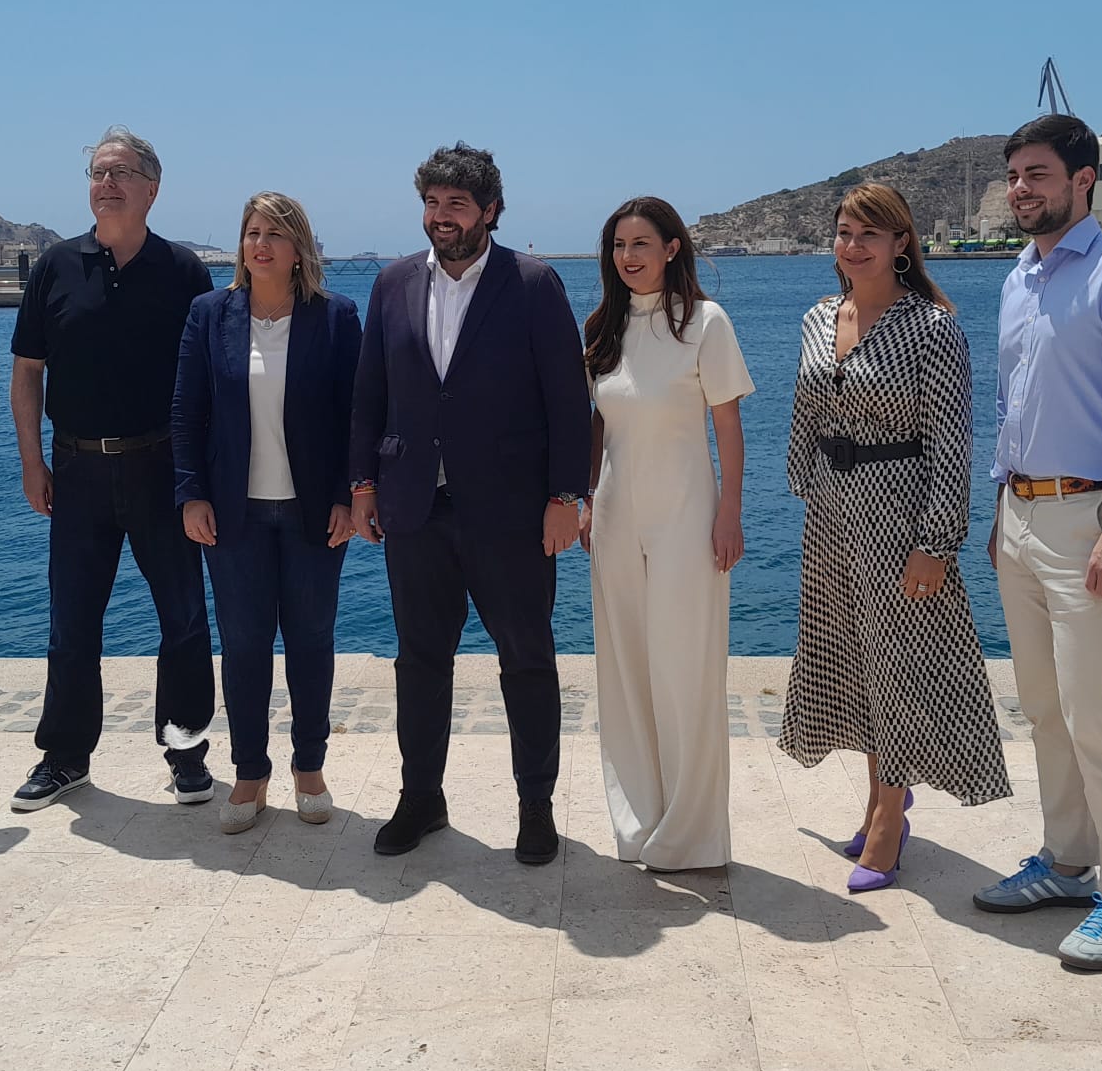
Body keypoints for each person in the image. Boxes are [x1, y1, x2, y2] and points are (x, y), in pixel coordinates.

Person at [973, 113, 1102, 972]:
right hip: (1022, 517)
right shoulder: (1019, 278)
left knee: (1099, 716)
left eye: (1038, 175)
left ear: (1083, 180)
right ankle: (1067, 861)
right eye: (1016, 175)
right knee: (1044, 707)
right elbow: (1012, 408)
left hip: (1098, 520)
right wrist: (999, 514)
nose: (1023, 189)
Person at [349, 142, 590, 865]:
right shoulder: (392, 284)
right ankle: (421, 796)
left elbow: (567, 401)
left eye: (456, 204)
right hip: (414, 508)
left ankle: (535, 808)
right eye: (431, 202)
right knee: (420, 660)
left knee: (526, 658)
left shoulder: (533, 283)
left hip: (512, 512)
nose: (440, 217)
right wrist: (362, 485)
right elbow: (370, 394)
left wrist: (564, 497)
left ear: (489, 210)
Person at [778, 182, 1011, 892]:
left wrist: (937, 544)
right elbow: (806, 416)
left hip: (899, 513)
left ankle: (887, 814)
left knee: (901, 665)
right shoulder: (820, 317)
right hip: (833, 516)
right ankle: (888, 792)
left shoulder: (932, 328)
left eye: (868, 235)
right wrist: (806, 493)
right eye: (845, 233)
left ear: (901, 243)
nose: (853, 246)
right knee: (849, 656)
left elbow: (951, 445)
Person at [8, 126, 218, 811]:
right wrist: (32, 462)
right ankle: (65, 757)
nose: (107, 183)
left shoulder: (184, 272)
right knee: (72, 624)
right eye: (99, 172)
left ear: (151, 189)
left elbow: (206, 383)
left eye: (122, 172)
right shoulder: (55, 267)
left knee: (183, 619)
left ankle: (186, 753)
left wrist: (200, 480)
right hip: (75, 471)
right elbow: (27, 373)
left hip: (161, 467)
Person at [173, 192, 362, 834]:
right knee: (245, 645)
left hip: (314, 514)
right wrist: (190, 493)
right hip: (234, 514)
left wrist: (347, 494)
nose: (261, 245)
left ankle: (310, 766)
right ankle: (250, 773)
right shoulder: (209, 315)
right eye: (253, 232)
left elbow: (355, 420)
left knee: (311, 641)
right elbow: (186, 411)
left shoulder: (335, 318)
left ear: (298, 247)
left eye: (276, 234)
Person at [579, 197, 753, 871]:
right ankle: (638, 824)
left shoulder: (707, 323)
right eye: (619, 244)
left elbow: (728, 429)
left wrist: (729, 513)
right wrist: (586, 499)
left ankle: (693, 835)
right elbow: (597, 426)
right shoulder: (602, 328)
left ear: (673, 248)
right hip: (616, 517)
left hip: (687, 519)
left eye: (642, 243)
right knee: (623, 673)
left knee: (685, 673)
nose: (629, 256)